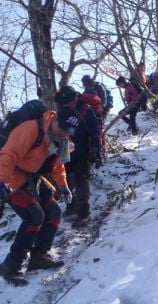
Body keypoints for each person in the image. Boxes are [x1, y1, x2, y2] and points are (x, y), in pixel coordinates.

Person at [0, 106, 80, 286]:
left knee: (54, 212)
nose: (64, 133)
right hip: (13, 179)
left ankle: (39, 256)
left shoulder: (61, 139)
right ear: (56, 119)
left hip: (34, 178)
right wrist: (0, 181)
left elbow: (57, 165)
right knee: (34, 216)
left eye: (68, 131)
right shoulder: (31, 129)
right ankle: (10, 266)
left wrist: (63, 186)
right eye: (62, 128)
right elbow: (8, 154)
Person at [55, 86, 101, 228]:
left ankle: (83, 213)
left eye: (69, 100)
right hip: (66, 152)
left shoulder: (86, 110)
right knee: (65, 180)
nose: (66, 104)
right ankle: (72, 205)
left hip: (84, 152)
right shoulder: (61, 111)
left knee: (81, 181)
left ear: (75, 98)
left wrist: (96, 149)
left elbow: (95, 131)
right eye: (64, 102)